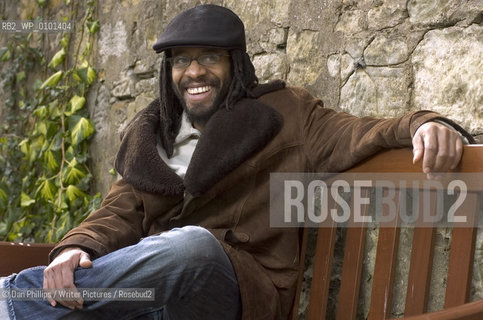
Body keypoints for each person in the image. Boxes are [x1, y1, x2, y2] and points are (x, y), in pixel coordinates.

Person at [0, 4, 475, 320]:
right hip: (155, 298)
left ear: (236, 65)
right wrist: (74, 248)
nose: (194, 72)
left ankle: (11, 302)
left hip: (241, 289)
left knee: (191, 246)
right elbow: (120, 210)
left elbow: (358, 131)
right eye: (181, 61)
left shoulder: (286, 113)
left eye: (209, 57)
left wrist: (423, 123)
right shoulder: (156, 134)